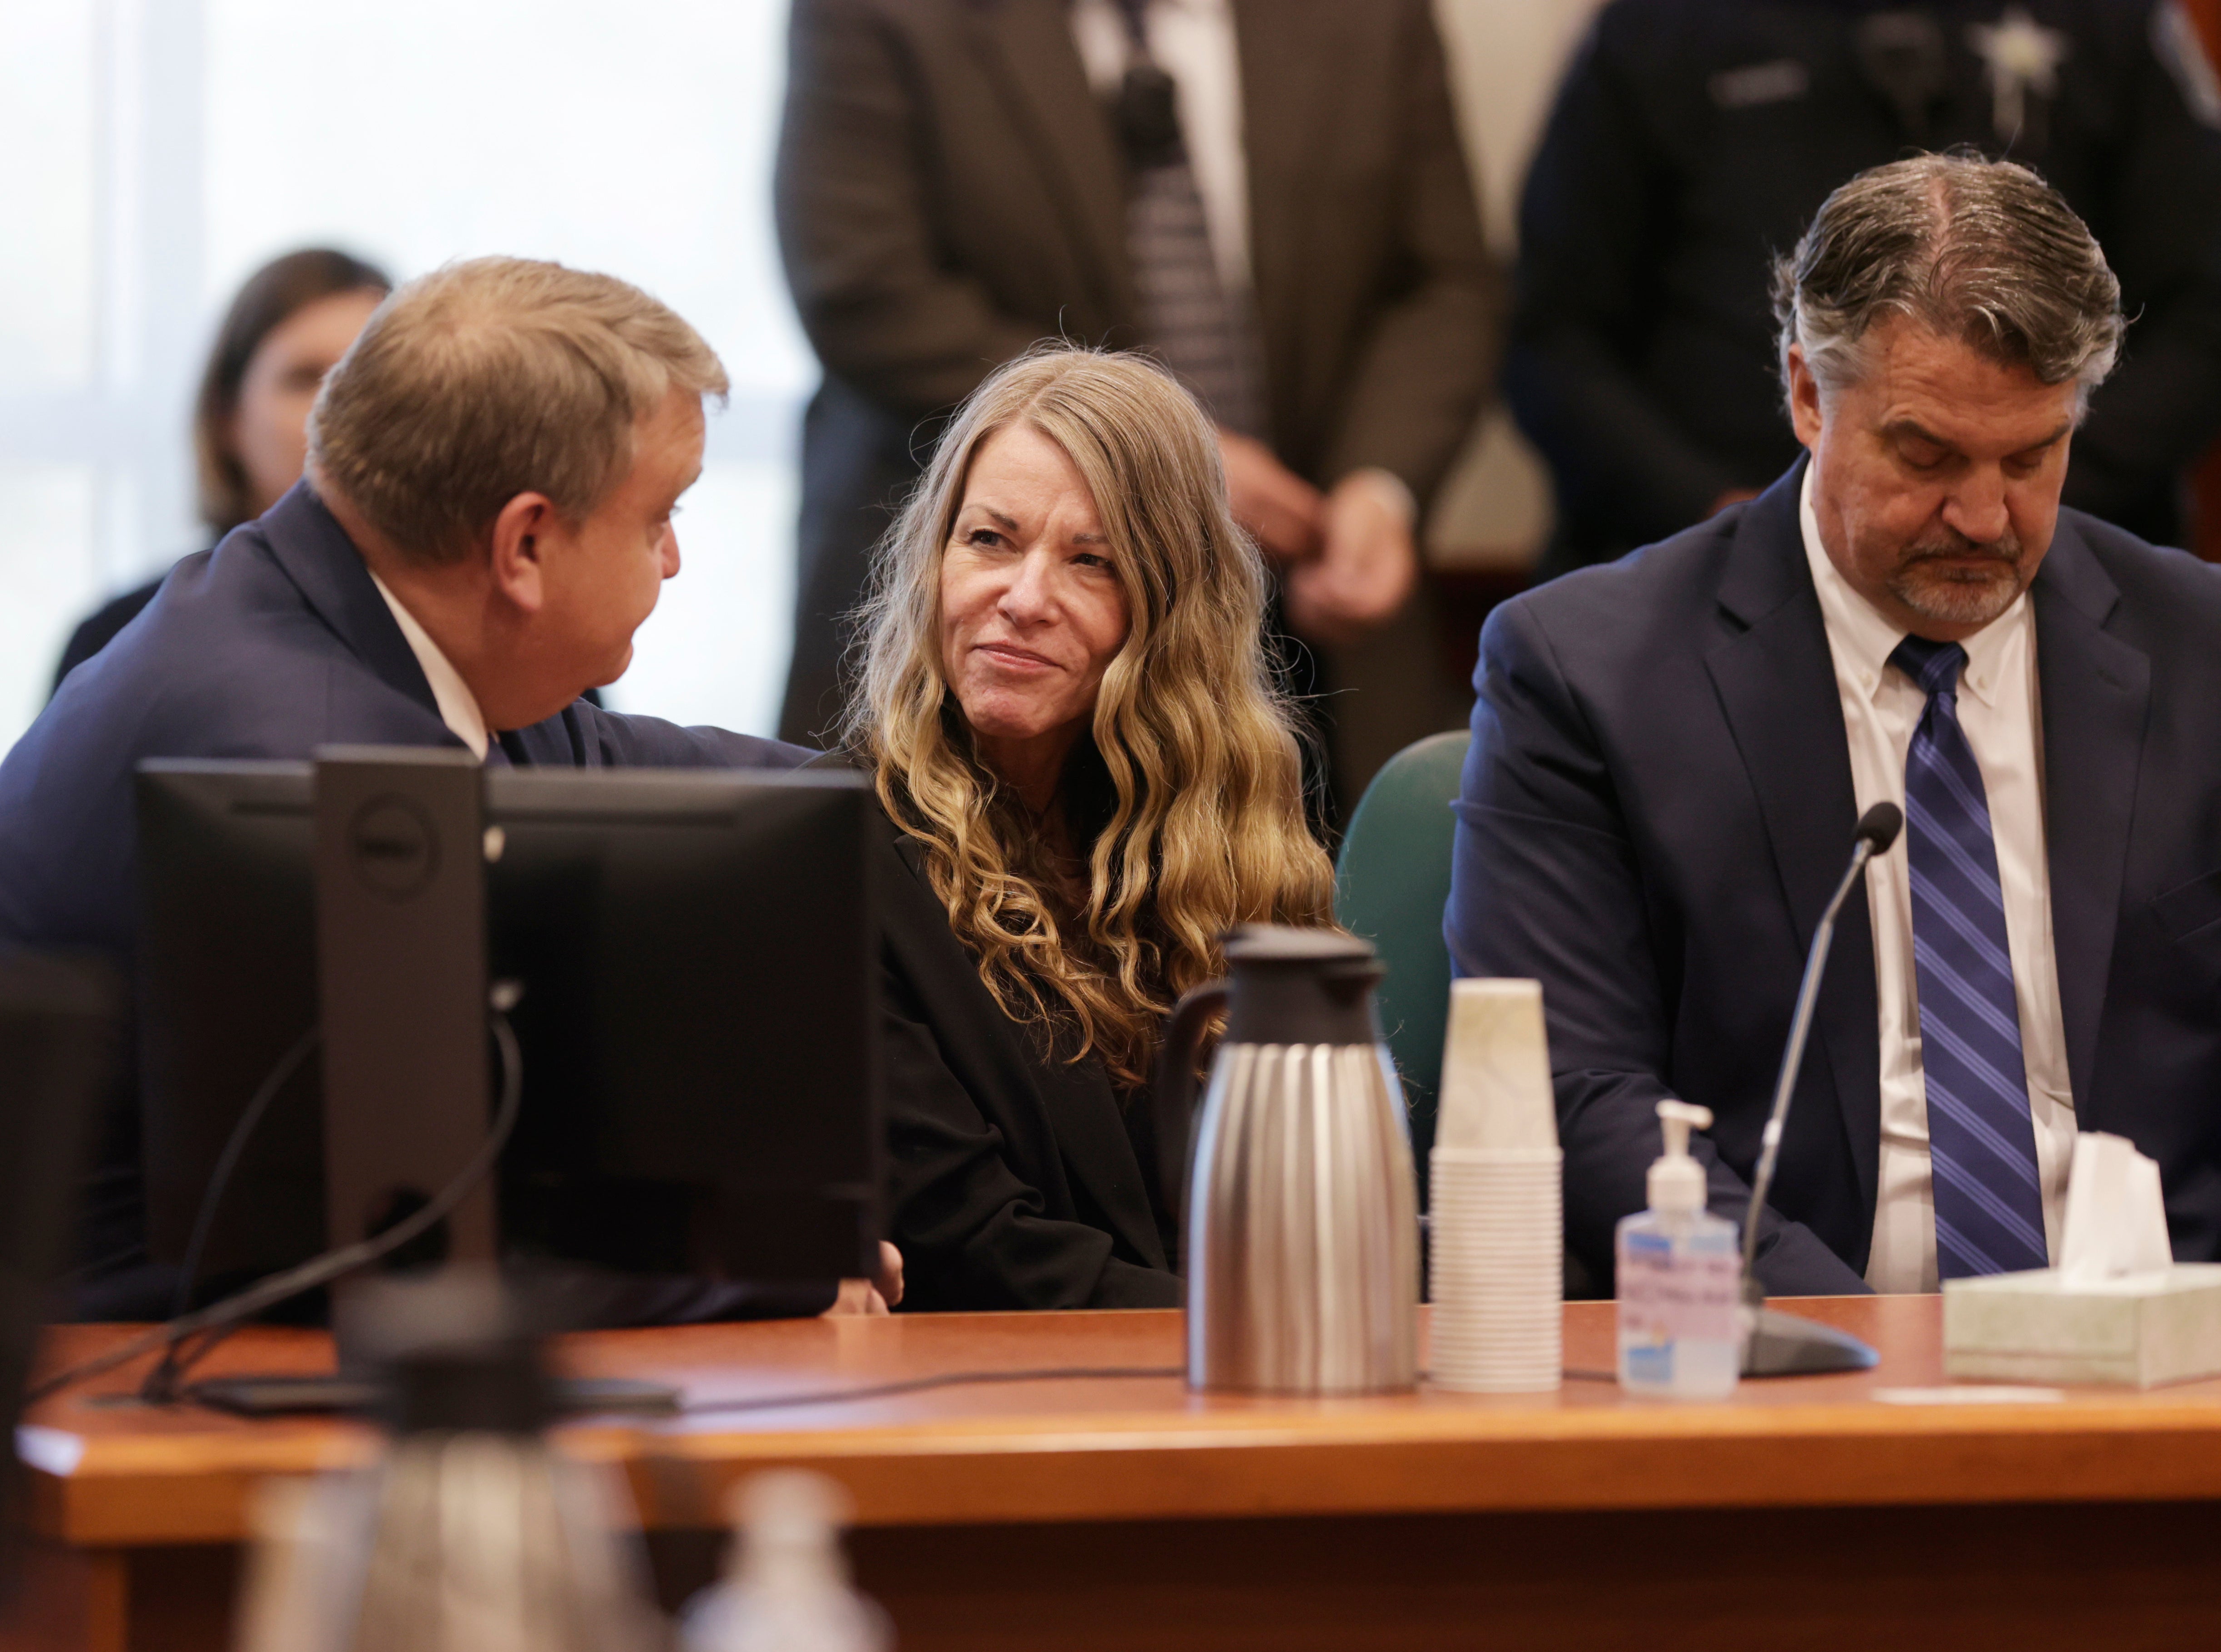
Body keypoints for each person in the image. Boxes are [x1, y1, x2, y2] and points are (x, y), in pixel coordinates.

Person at [0, 258, 899, 1320]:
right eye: (659, 515)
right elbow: (402, 1250)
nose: (671, 560)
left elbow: (635, 777)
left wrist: (930, 796)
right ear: (522, 545)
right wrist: (774, 1279)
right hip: (42, 1378)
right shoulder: (313, 758)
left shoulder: (346, 606)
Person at [1448, 155, 2221, 1296]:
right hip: (1792, 1361)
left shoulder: (2197, 651)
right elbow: (1574, 1093)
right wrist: (1854, 1358)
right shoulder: (1587, 677)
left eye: (2030, 457)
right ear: (1807, 394)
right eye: (1924, 455)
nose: (1981, 515)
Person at [775, 0, 1503, 815]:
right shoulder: (881, 15)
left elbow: (1444, 287)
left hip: (1313, 630)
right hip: (976, 668)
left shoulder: (1371, 19)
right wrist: (1173, 464)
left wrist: (1379, 486)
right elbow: (863, 286)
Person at [841, 346, 1337, 1309]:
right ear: (934, 560)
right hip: (1008, 1399)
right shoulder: (844, 856)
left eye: (1090, 561)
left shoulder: (1234, 844)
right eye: (989, 540)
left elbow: (1307, 1196)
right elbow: (981, 1253)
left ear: (1168, 612)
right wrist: (1266, 1326)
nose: (1024, 599)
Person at [1509, 0, 2221, 577]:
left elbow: (2202, 313)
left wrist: (2020, 480)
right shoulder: (1654, 30)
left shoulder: (2115, 22)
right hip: (1702, 562)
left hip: (2058, 560)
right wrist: (1723, 513)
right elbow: (1550, 332)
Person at [55, 248, 391, 687]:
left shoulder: (467, 633)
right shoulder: (120, 640)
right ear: (226, 417)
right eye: (306, 379)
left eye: (369, 380)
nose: (341, 409)